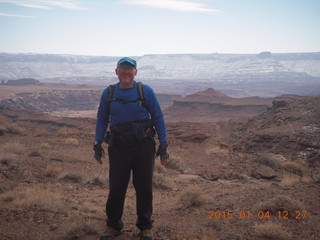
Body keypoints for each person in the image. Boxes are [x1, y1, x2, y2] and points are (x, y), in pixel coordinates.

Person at [93, 57, 169, 240]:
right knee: (117, 187)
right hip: (118, 147)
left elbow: (158, 117)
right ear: (116, 71)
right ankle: (113, 225)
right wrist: (97, 143)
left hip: (143, 146)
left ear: (135, 72)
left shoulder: (145, 91)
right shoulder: (109, 93)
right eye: (123, 69)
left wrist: (164, 145)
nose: (126, 72)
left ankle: (145, 227)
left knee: (144, 187)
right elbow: (102, 119)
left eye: (130, 69)